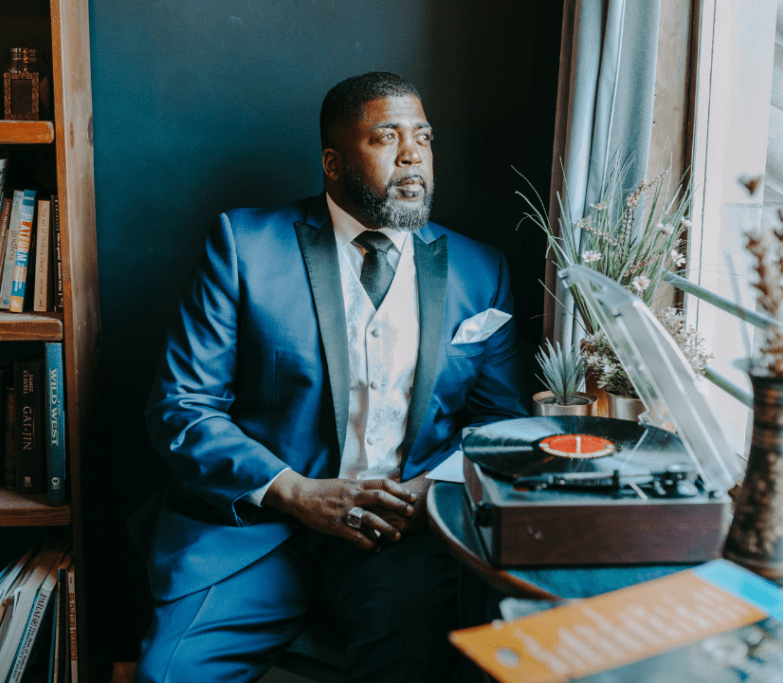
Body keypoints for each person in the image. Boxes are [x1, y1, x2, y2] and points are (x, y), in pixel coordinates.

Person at [133, 71, 529, 683]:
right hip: (258, 530)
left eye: (423, 136)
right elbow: (183, 407)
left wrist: (427, 493)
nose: (411, 154)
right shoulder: (244, 245)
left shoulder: (482, 270)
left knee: (418, 663)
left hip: (402, 536)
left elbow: (499, 421)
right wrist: (296, 493)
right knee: (170, 674)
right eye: (385, 137)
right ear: (332, 161)